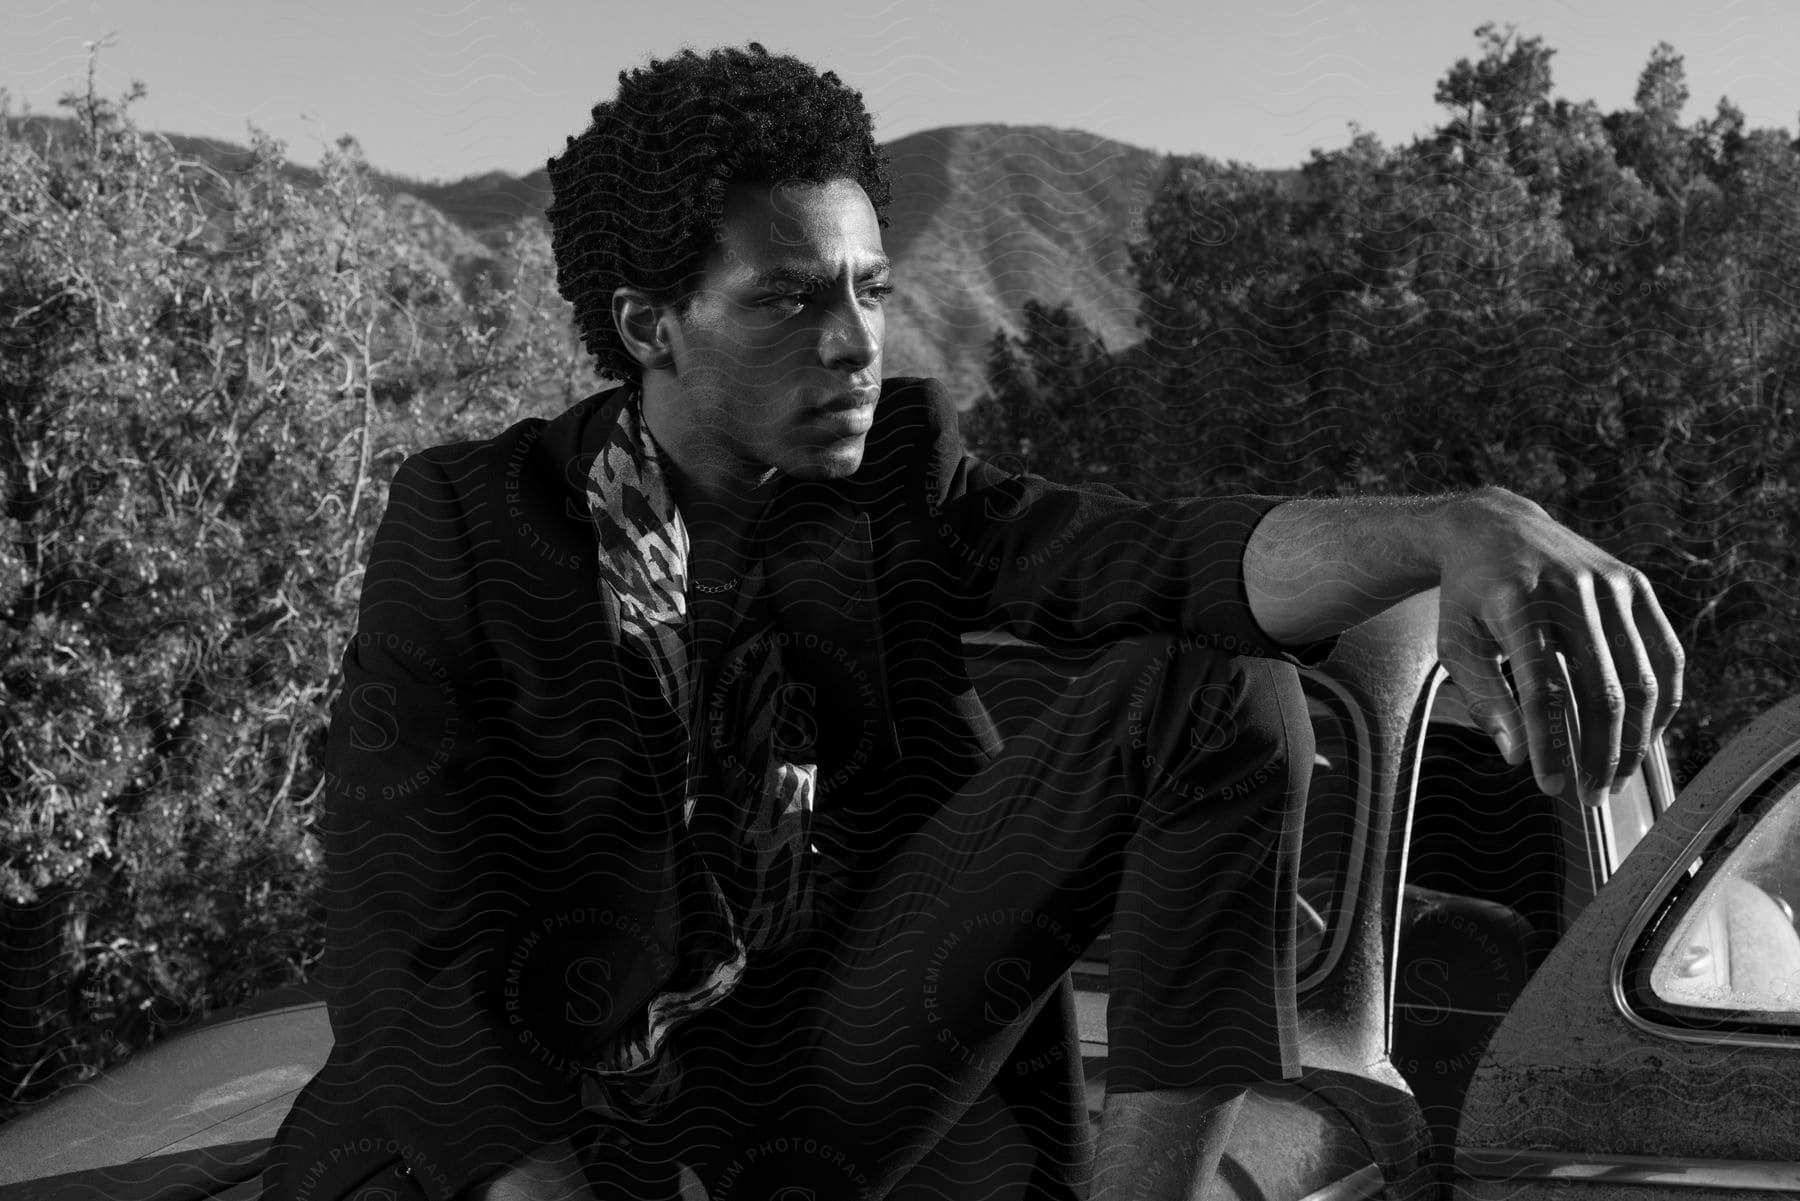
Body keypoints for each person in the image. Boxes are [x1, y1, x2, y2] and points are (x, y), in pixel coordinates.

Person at [261, 43, 1684, 1201]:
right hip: (541, 1122)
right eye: (791, 299)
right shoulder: (479, 522)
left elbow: (1168, 561)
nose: (855, 341)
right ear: (648, 325)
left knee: (1218, 688)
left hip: (803, 1092)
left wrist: (1454, 524)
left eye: (873, 289)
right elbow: (408, 940)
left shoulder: (895, 486)